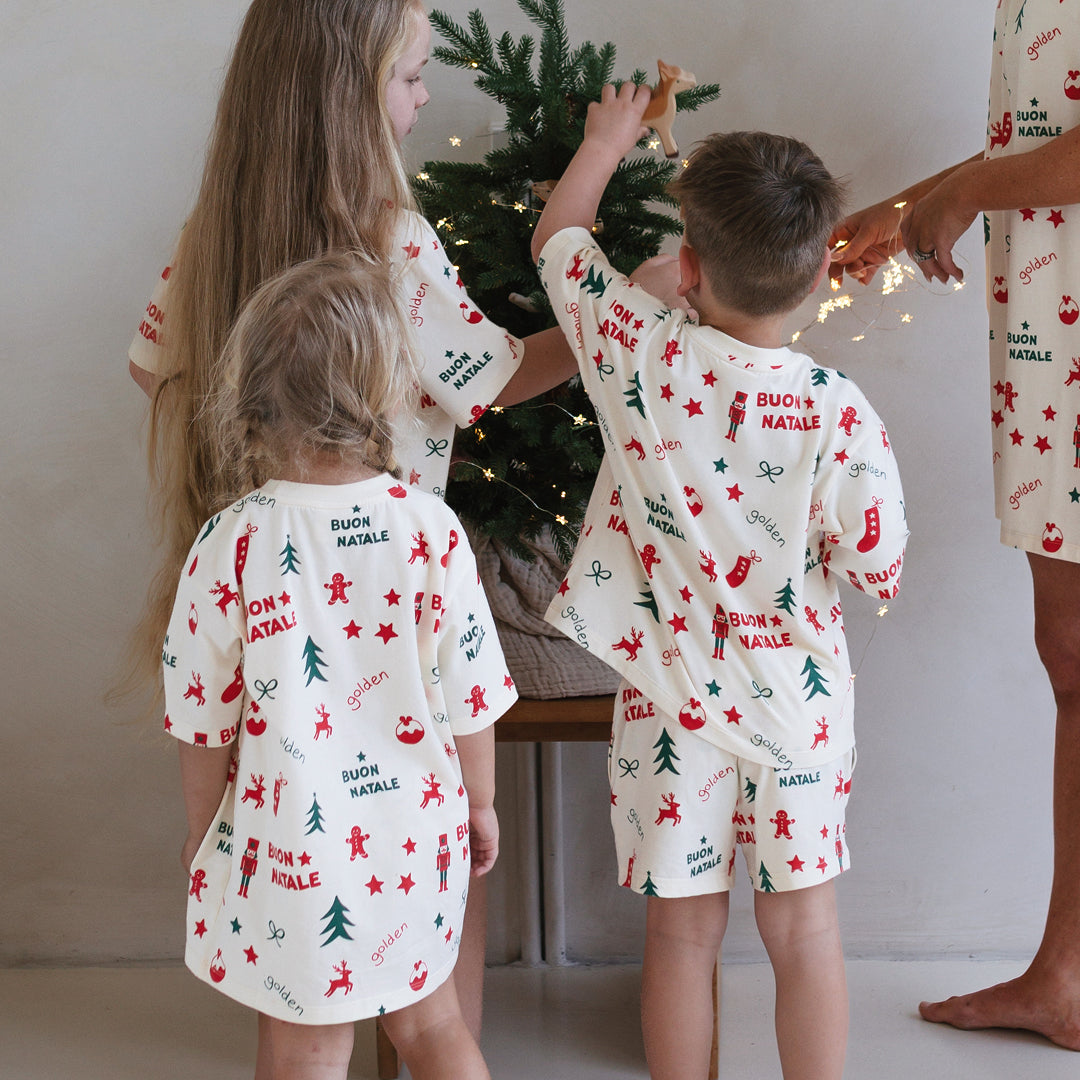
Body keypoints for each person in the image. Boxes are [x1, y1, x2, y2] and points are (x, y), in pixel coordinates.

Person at [125, 0, 575, 1056]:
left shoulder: (211, 234)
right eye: (410, 77)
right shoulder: (394, 240)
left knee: (301, 1026)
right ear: (347, 94)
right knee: (434, 1014)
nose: (423, 97)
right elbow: (493, 376)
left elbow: (153, 370)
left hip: (279, 671)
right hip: (393, 654)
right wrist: (609, 325)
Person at [530, 83, 908, 1080]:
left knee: (681, 935)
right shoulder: (838, 410)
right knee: (806, 932)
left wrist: (609, 139)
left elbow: (559, 243)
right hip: (797, 712)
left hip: (669, 709)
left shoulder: (639, 353)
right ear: (820, 269)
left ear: (689, 266)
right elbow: (876, 564)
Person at [163, 250, 516, 1080]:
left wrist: (203, 830)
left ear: (252, 395)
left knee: (309, 1047)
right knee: (433, 1025)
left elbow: (200, 716)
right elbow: (473, 698)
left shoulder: (231, 542)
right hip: (417, 833)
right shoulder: (430, 530)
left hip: (290, 841)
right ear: (389, 390)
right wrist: (482, 805)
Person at [829, 0, 1080, 1051]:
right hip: (1051, 335)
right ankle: (1066, 976)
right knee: (1071, 652)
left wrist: (962, 194)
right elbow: (1049, 131)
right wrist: (913, 206)